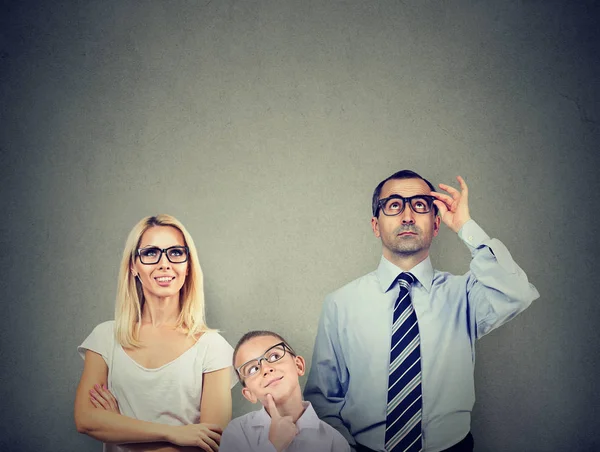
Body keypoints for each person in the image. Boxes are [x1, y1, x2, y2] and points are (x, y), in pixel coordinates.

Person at [304, 171, 540, 452]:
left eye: (419, 205)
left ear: (436, 224)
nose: (407, 216)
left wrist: (465, 226)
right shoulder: (339, 304)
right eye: (393, 205)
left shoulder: (465, 294)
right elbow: (322, 400)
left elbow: (517, 292)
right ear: (375, 225)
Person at [75, 214, 234, 452]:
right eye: (150, 253)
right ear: (133, 265)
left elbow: (208, 444)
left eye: (176, 252)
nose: (164, 263)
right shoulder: (105, 337)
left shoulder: (213, 347)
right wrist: (175, 434)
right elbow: (86, 420)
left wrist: (120, 427)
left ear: (188, 266)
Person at [220, 331, 350, 452]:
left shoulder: (335, 443)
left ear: (298, 366)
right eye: (253, 369)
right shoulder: (238, 432)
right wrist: (273, 445)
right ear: (249, 394)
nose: (265, 368)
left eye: (274, 356)